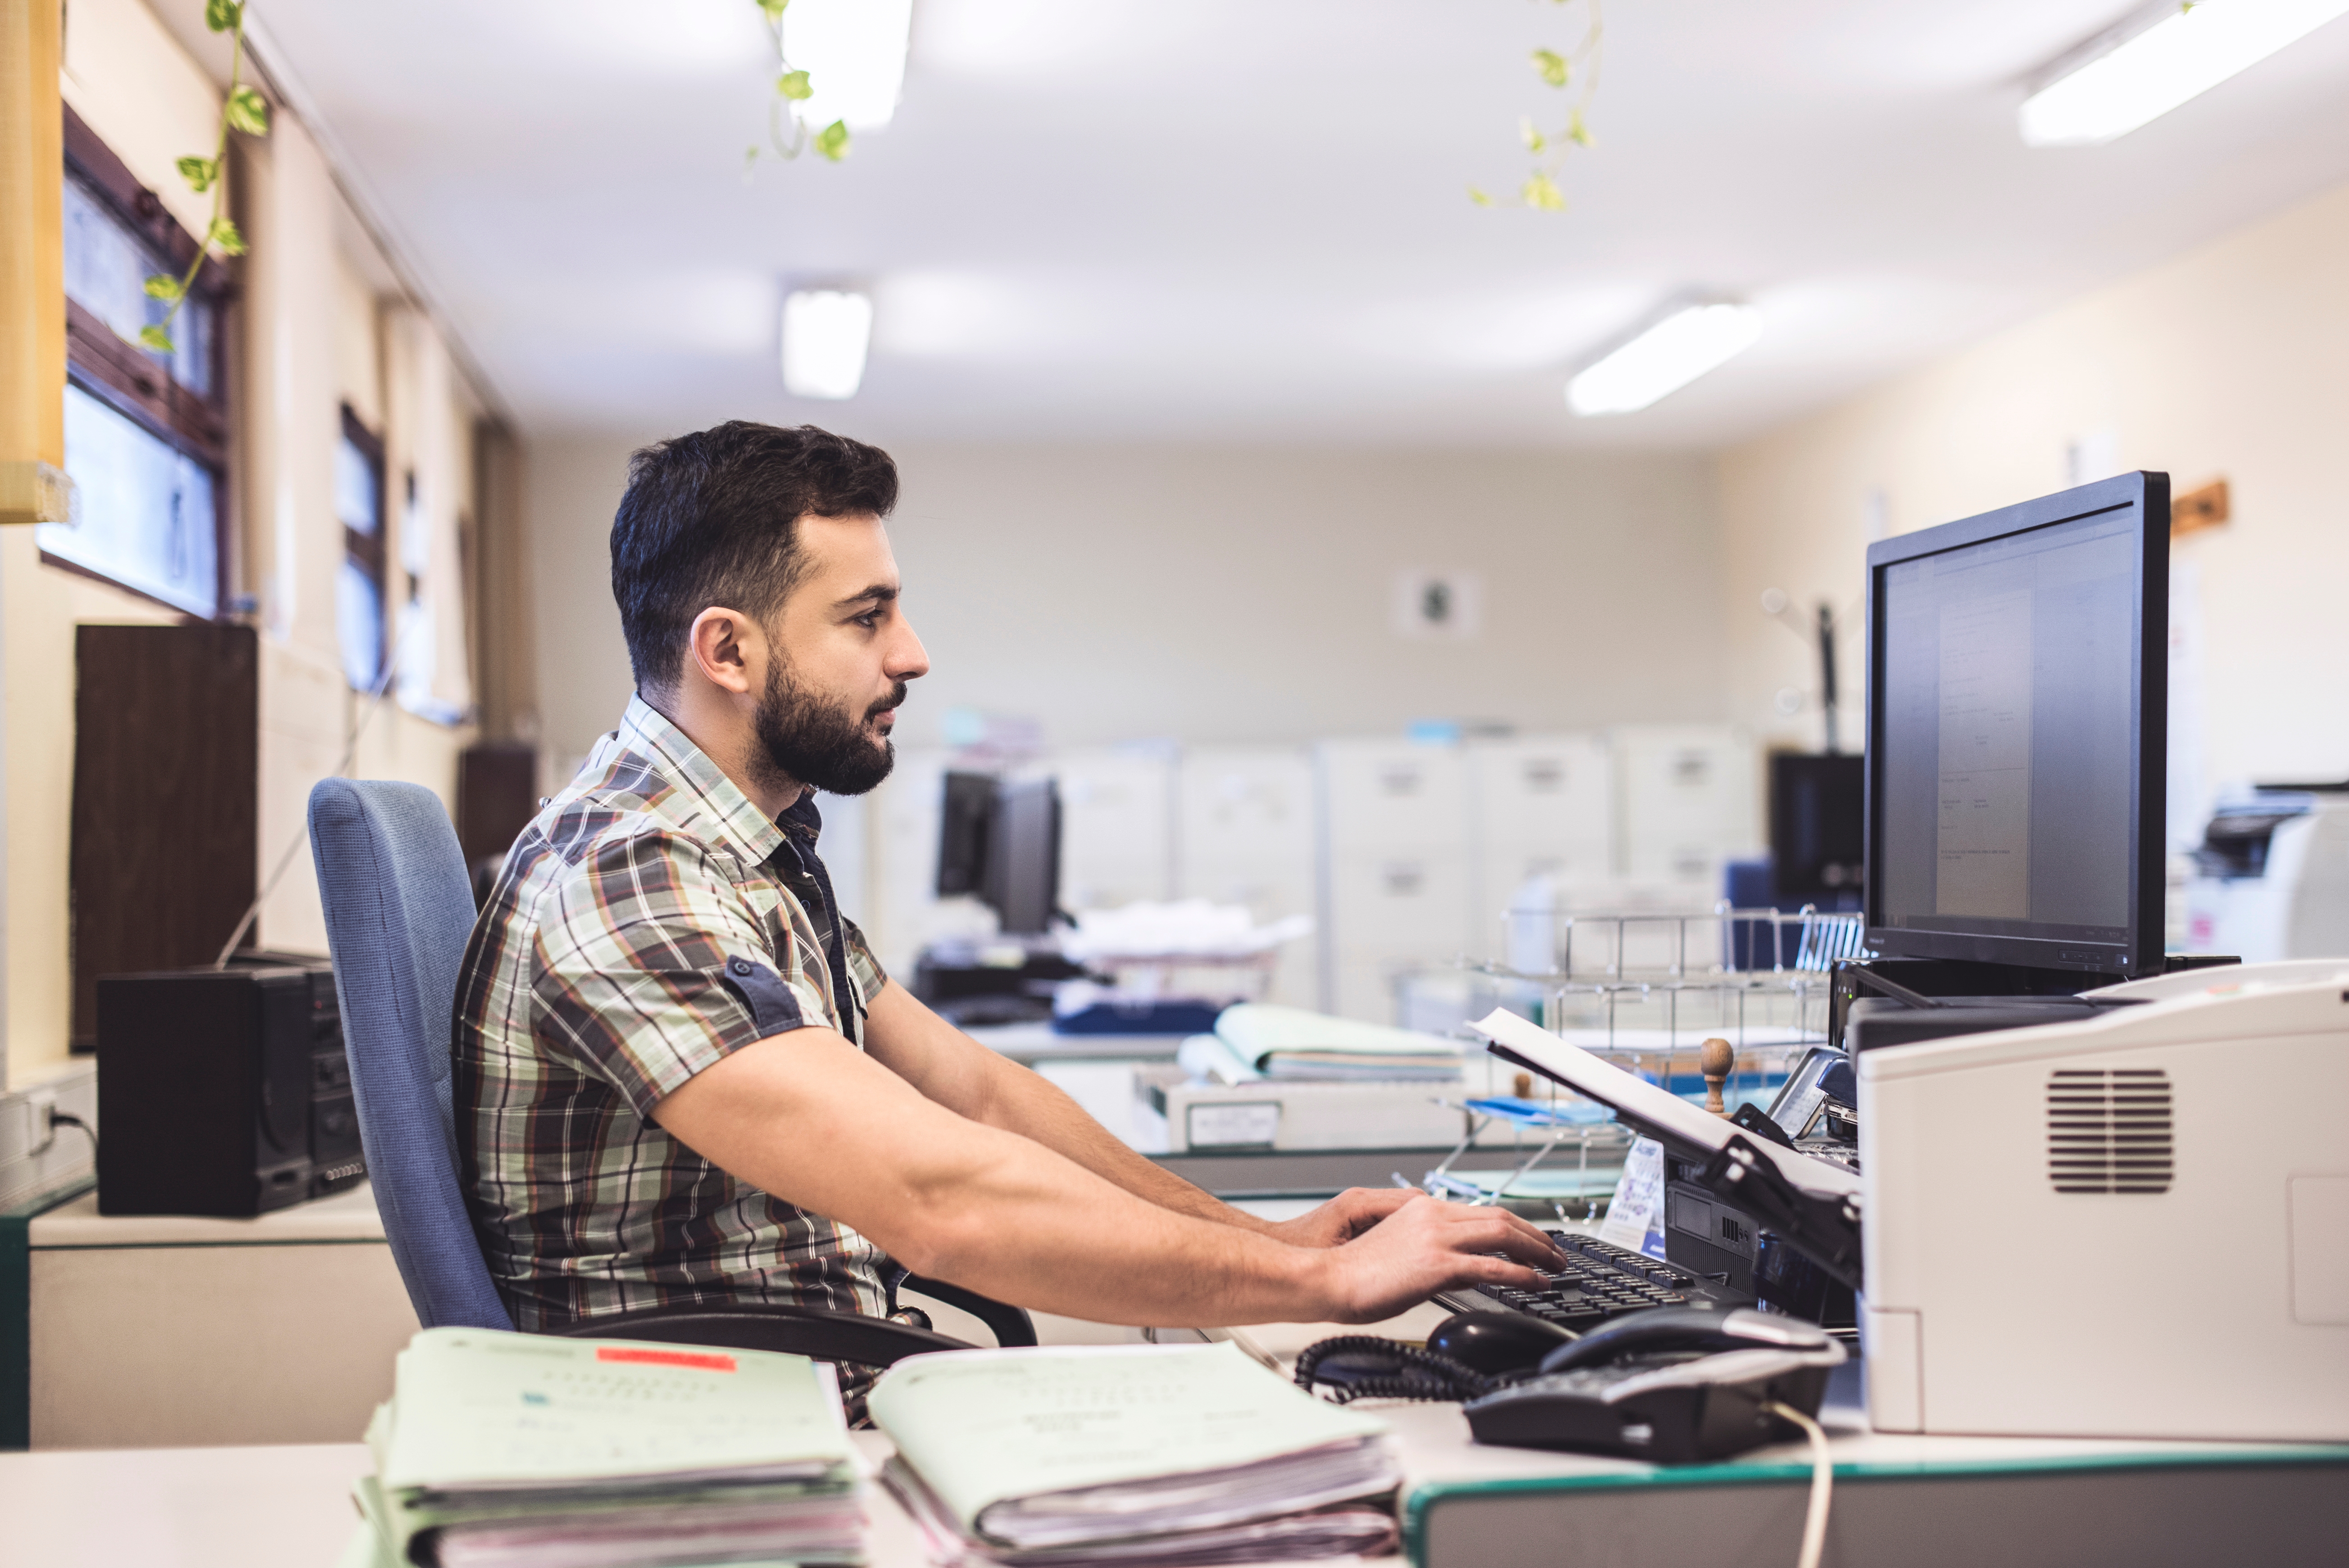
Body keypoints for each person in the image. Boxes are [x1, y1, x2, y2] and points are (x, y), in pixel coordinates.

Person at [454, 421, 1562, 1346]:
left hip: (828, 1378)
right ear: (728, 653)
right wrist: (1325, 1289)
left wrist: (1267, 1240)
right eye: (865, 616)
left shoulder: (745, 847)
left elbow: (968, 1090)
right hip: (735, 1446)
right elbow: (940, 1202)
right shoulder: (626, 878)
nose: (913, 654)